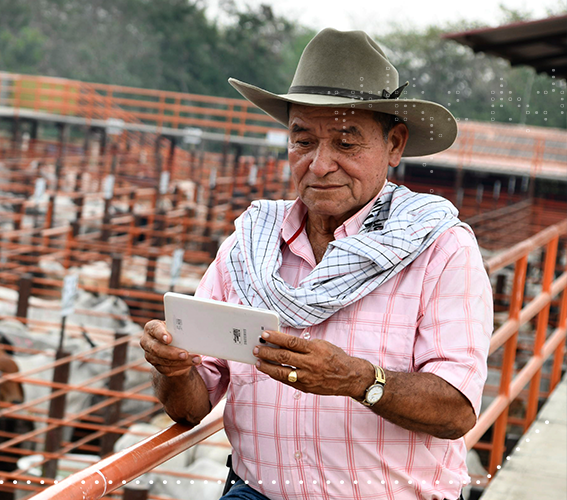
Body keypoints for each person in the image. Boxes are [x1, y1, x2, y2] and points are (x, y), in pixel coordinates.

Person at [141, 28, 490, 500]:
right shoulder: (250, 247)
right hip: (256, 491)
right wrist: (173, 368)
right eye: (303, 141)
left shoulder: (440, 250)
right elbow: (190, 406)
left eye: (346, 143)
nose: (320, 164)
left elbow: (457, 410)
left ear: (395, 145)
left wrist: (357, 379)